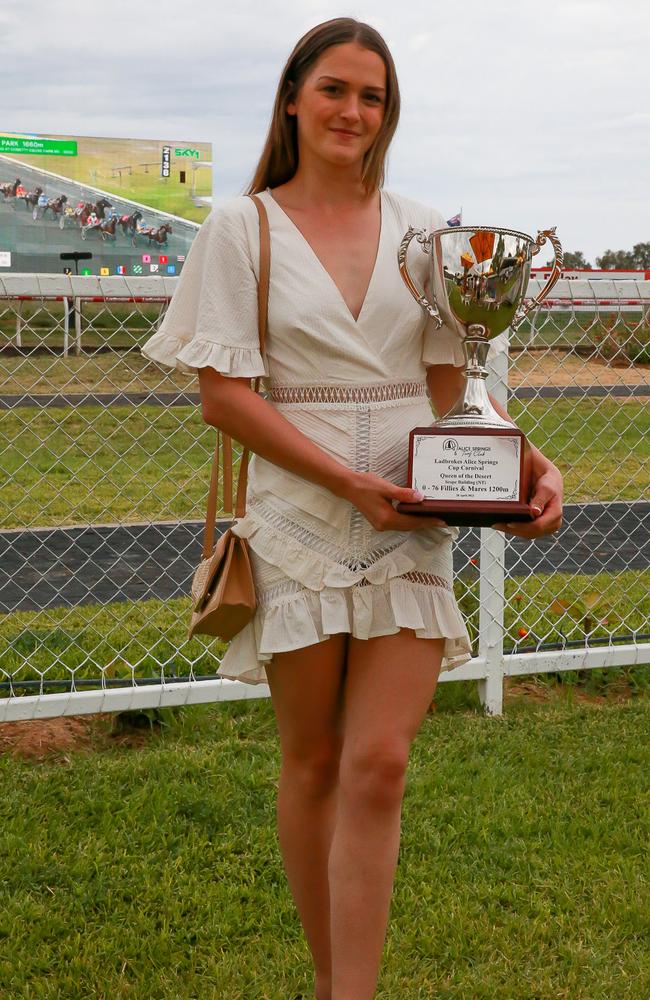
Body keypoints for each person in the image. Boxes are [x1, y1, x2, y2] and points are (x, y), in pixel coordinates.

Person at [141, 17, 563, 1000]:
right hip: (298, 517)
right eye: (334, 89)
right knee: (314, 761)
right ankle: (334, 982)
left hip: (412, 514)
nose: (352, 111)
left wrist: (531, 463)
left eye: (371, 96)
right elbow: (221, 394)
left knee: (378, 763)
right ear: (293, 98)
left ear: (388, 113)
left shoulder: (424, 232)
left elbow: (449, 378)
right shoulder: (240, 229)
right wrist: (345, 484)